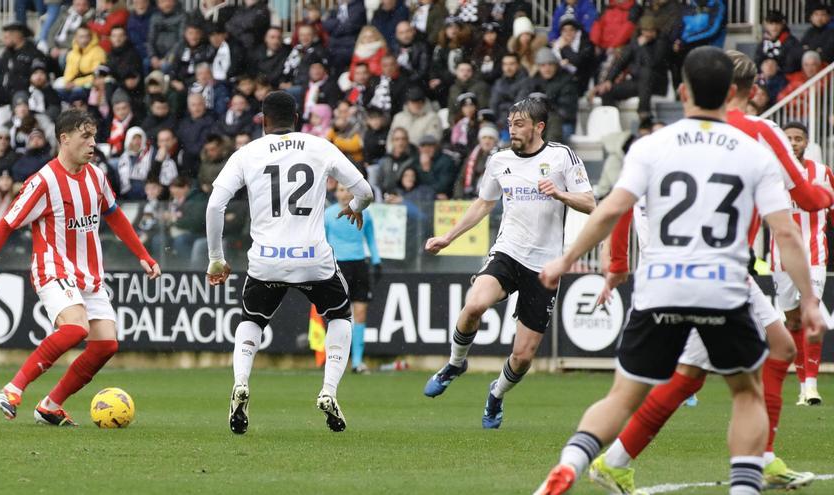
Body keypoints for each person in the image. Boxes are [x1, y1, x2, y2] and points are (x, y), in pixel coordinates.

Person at [535, 47, 826, 495]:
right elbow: (786, 233)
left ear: (683, 91)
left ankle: (572, 463)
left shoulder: (651, 145)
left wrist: (565, 261)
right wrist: (808, 299)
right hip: (723, 285)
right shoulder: (755, 149)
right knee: (746, 391)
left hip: (660, 283)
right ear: (734, 93)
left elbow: (612, 210)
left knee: (623, 395)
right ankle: (747, 481)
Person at [0, 109, 161, 426]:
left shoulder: (97, 176)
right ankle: (11, 389)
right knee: (76, 328)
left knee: (106, 345)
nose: (92, 144)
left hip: (89, 274)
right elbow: (6, 225)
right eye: (85, 137)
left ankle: (49, 405)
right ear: (65, 139)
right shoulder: (43, 182)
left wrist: (143, 255)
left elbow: (113, 214)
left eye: (94, 137)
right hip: (53, 268)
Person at [204, 90, 374, 434]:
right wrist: (354, 209)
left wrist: (216, 259)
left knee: (251, 320)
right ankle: (328, 390)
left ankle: (240, 383)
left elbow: (214, 207)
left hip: (266, 260)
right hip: (313, 258)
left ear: (263, 121)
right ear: (296, 118)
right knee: (340, 315)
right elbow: (366, 191)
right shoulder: (319, 146)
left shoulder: (247, 153)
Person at [422, 97, 595, 429]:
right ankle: (455, 364)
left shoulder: (561, 157)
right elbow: (483, 204)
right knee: (474, 305)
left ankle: (496, 394)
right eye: (510, 123)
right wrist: (448, 237)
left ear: (538, 127)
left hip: (545, 266)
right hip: (508, 251)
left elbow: (590, 203)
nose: (512, 130)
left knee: (523, 356)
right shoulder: (499, 160)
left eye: (519, 124)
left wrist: (561, 195)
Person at [778, 121, 830, 406]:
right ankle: (801, 385)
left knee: (811, 316)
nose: (794, 142)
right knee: (793, 320)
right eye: (789, 138)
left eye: (799, 138)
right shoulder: (771, 174)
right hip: (781, 258)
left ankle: (811, 387)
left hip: (814, 256)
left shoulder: (822, 174)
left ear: (806, 143)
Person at [325, 182, 382, 373]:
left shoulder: (365, 214)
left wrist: (376, 261)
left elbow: (371, 239)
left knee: (360, 313)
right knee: (338, 314)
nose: (344, 193)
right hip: (337, 266)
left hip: (359, 266)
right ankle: (335, 359)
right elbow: (323, 241)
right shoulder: (328, 214)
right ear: (336, 192)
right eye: (341, 190)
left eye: (348, 190)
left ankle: (357, 361)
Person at [754, 10, 803, 75]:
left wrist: (774, 68)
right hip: (765, 78)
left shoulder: (791, 42)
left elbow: (792, 66)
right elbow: (757, 63)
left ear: (782, 24)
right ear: (766, 25)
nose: (774, 27)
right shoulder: (764, 42)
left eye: (777, 23)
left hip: (786, 80)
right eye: (771, 24)